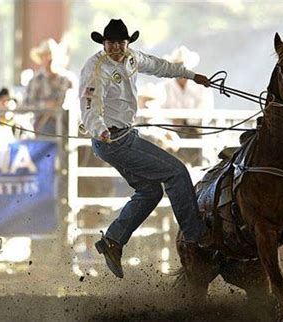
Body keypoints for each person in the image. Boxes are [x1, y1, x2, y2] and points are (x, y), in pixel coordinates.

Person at [79, 19, 210, 278]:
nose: (116, 47)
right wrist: (100, 130)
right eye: (111, 42)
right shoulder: (95, 67)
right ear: (103, 43)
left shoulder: (132, 58)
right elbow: (89, 106)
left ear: (126, 43)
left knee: (150, 191)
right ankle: (197, 237)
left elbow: (160, 66)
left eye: (120, 42)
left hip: (123, 136)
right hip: (112, 139)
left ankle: (114, 240)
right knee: (176, 172)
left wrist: (191, 75)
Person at [161, 46, 214, 166]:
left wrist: (187, 119)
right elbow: (161, 108)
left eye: (182, 65)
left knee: (197, 161)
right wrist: (172, 120)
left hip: (196, 131)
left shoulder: (200, 86)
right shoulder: (167, 86)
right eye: (177, 65)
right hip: (174, 131)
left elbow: (206, 110)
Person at [24, 38, 72, 135]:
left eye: (50, 56)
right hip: (42, 126)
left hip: (66, 124)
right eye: (44, 56)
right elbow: (27, 104)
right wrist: (45, 105)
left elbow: (73, 103)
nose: (48, 60)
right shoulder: (35, 80)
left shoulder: (67, 80)